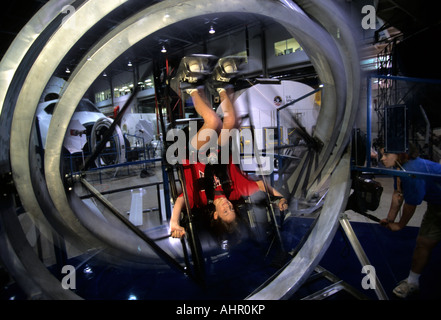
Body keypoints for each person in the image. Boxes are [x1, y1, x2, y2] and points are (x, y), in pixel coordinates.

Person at [170, 85, 288, 239]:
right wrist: (280, 197)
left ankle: (191, 89)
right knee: (231, 120)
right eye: (232, 209)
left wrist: (174, 222)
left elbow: (180, 202)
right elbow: (260, 185)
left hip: (193, 153)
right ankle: (221, 88)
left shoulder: (201, 200)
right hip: (217, 152)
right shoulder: (233, 192)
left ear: (216, 216)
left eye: (225, 211)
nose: (228, 206)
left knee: (213, 122)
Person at [379, 144, 441, 298]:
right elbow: (398, 193)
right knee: (423, 243)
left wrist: (400, 225)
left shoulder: (412, 170)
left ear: (400, 154)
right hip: (437, 207)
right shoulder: (400, 168)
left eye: (386, 154)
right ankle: (412, 282)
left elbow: (411, 204)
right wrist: (390, 219)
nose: (382, 158)